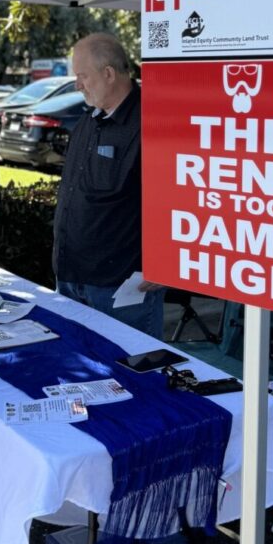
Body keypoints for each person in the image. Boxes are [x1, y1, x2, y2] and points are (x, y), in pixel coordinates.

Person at [53, 33, 165, 338]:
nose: (77, 85)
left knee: (133, 376)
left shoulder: (152, 122)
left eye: (82, 76)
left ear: (108, 73)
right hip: (72, 278)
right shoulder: (90, 119)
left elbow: (177, 198)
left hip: (121, 288)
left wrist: (164, 263)